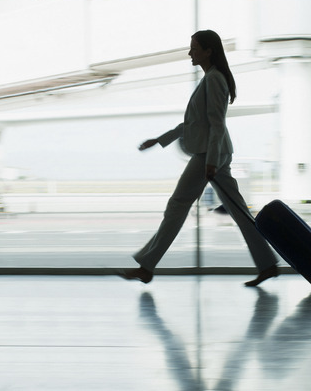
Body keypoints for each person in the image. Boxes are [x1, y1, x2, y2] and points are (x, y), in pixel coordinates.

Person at [119, 30, 279, 287]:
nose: (190, 52)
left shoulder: (214, 80)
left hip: (209, 154)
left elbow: (216, 124)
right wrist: (160, 140)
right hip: (213, 153)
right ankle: (267, 264)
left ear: (208, 51)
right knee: (237, 211)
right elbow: (192, 124)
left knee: (177, 205)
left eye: (194, 48)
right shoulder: (211, 79)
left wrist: (211, 162)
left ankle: (146, 266)